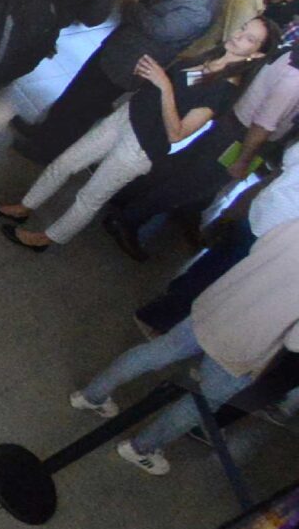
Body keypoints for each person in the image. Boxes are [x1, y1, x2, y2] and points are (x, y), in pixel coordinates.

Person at [0, 15, 273, 250]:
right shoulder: (211, 56)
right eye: (242, 29)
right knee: (65, 162)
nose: (238, 36)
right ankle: (25, 206)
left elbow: (177, 133)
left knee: (90, 197)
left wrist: (164, 86)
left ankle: (46, 238)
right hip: (127, 117)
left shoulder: (225, 89)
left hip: (141, 147)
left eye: (249, 39)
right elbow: (174, 84)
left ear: (256, 54)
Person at [71, 203, 299, 476]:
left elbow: (258, 249)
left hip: (218, 305)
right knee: (202, 401)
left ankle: (91, 394)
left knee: (157, 351)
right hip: (248, 344)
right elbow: (295, 343)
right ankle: (141, 448)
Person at [17, 0, 242, 158]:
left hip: (130, 61)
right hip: (122, 46)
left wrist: (134, 8)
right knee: (76, 92)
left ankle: (46, 149)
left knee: (83, 108)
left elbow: (159, 29)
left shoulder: (202, 8)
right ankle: (42, 131)